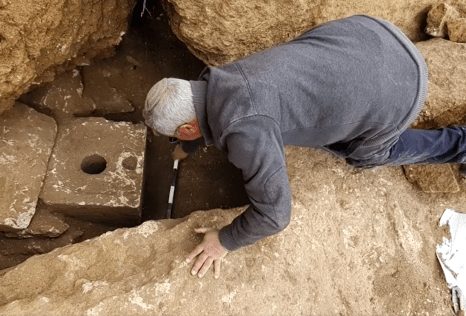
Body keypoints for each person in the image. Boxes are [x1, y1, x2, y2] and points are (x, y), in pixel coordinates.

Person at [143, 15, 466, 279]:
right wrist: (188, 145)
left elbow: (274, 216)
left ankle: (460, 144)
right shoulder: (223, 77)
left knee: (362, 155)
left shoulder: (246, 133)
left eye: (177, 135)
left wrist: (225, 240)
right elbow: (208, 113)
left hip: (400, 86)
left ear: (187, 127)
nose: (178, 140)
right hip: (369, 32)